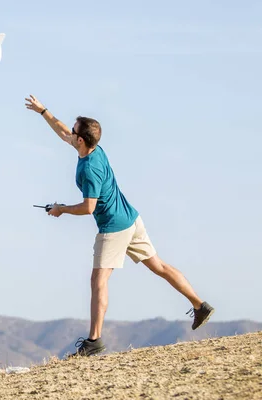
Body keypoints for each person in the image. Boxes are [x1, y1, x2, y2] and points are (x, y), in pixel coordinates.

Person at [24, 94, 214, 357]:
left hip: (114, 227)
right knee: (159, 266)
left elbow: (89, 207)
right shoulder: (94, 149)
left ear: (81, 140)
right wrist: (43, 111)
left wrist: (61, 210)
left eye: (75, 130)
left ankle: (94, 341)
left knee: (98, 281)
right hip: (131, 219)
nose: (71, 130)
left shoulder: (90, 169)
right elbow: (63, 131)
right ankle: (199, 304)